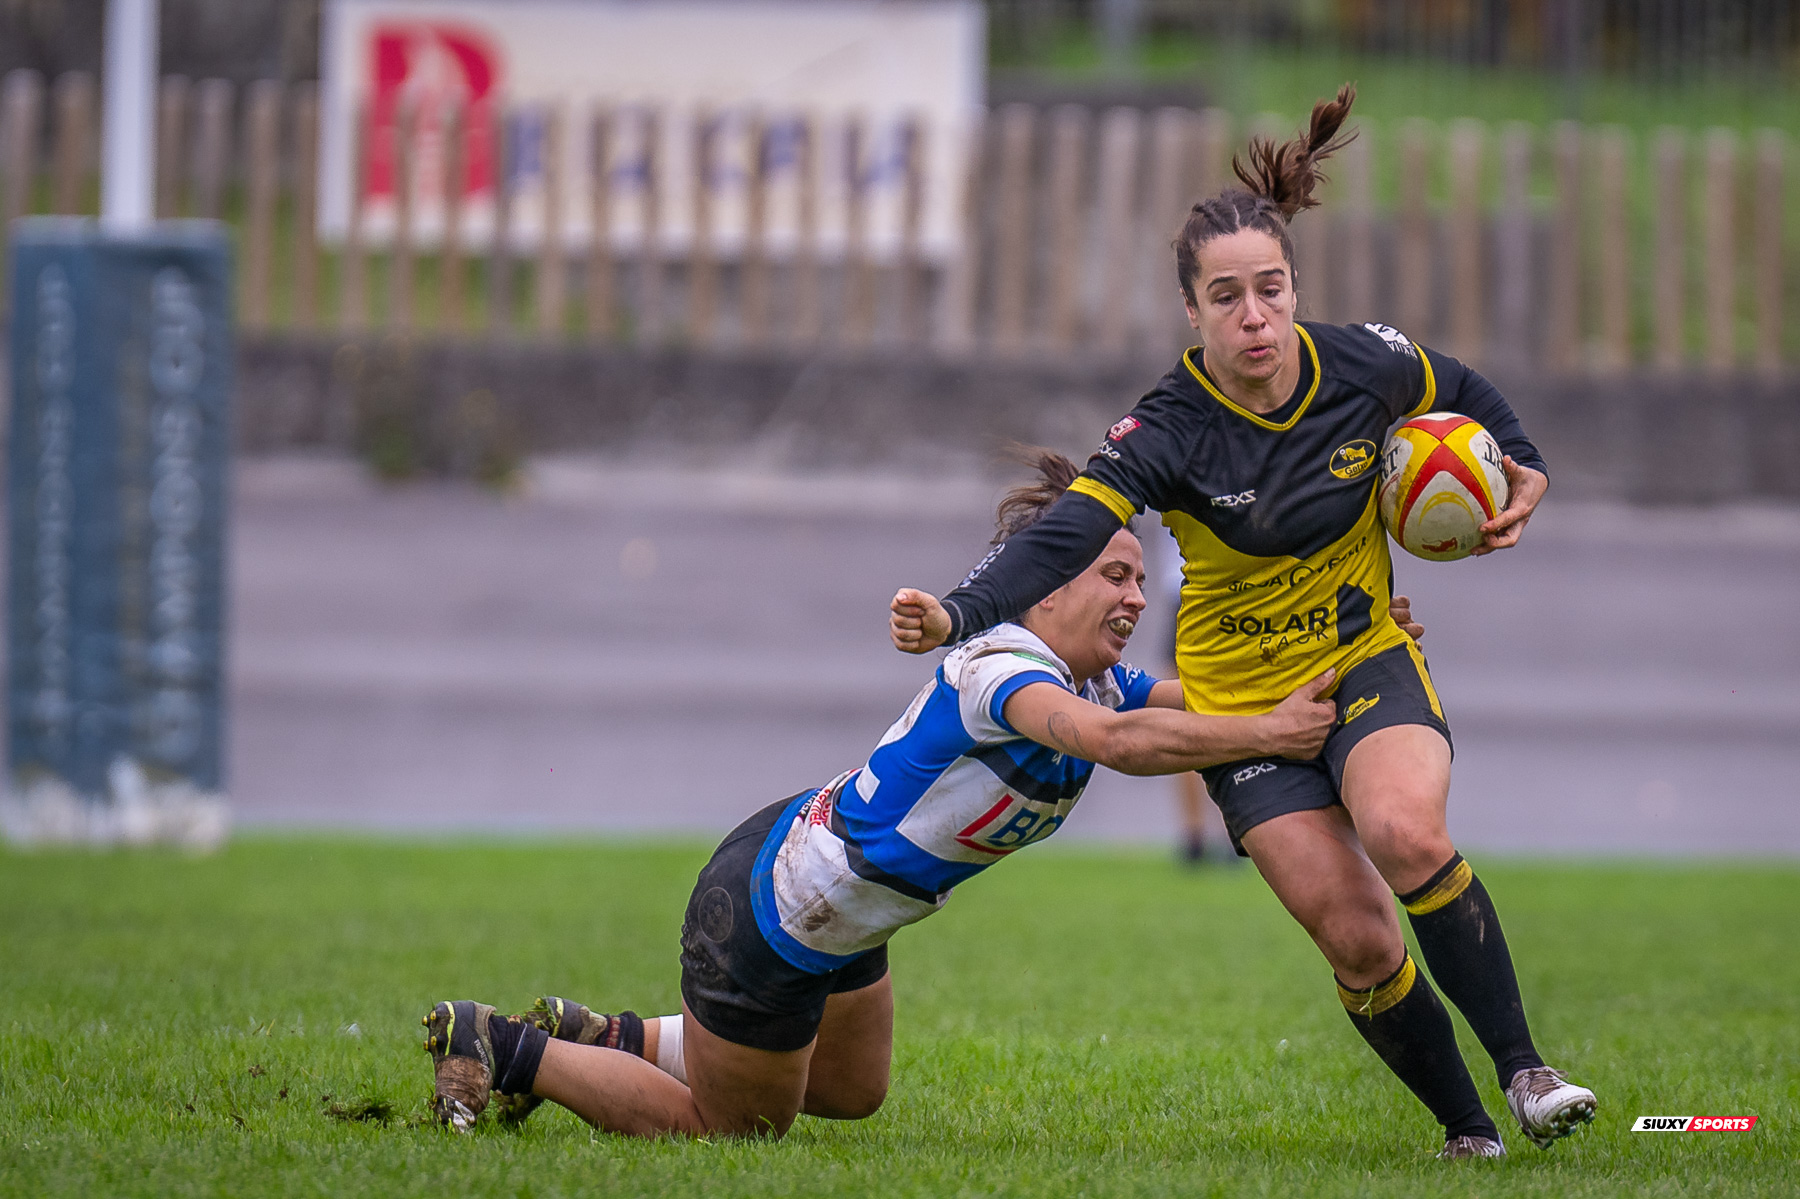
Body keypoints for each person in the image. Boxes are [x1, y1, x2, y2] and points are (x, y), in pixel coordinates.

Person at [888, 86, 1595, 1160]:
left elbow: (1458, 384)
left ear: (1294, 287)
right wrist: (959, 610)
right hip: (1243, 702)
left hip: (1365, 654)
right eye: (1228, 298)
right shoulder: (1167, 427)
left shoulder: (1357, 363)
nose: (1255, 316)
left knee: (1406, 832)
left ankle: (1529, 1072)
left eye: (1270, 289)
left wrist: (1526, 463)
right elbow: (1067, 530)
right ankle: (1468, 1131)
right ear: (1193, 313)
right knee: (1356, 935)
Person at [419, 451, 1372, 1139]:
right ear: (1043, 583)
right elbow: (1118, 744)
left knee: (851, 1089)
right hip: (776, 910)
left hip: (844, 919)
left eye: (1137, 576)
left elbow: (1208, 695)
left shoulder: (1086, 676)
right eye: (1114, 575)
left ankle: (608, 1034)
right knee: (735, 1127)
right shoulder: (1004, 666)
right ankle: (501, 1046)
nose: (1135, 597)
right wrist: (1267, 735)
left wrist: (1340, 654)